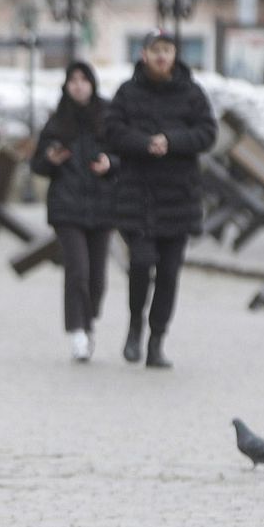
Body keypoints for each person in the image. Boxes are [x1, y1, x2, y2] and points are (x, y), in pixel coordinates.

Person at [104, 30, 216, 368]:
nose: (162, 56)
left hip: (179, 197)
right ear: (144, 55)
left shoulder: (192, 93)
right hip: (137, 196)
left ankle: (156, 341)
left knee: (168, 274)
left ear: (175, 54)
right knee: (140, 264)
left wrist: (173, 141)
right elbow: (111, 130)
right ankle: (135, 323)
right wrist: (143, 143)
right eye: (156, 50)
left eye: (167, 50)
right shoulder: (127, 92)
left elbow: (207, 133)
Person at [29, 61, 119, 362]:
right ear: (66, 85)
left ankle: (88, 319)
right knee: (77, 271)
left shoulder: (109, 117)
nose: (78, 85)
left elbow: (124, 156)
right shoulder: (57, 120)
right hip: (67, 207)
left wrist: (111, 163)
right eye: (73, 80)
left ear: (92, 84)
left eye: (84, 80)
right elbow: (37, 164)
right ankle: (78, 331)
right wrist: (51, 159)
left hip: (103, 205)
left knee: (97, 279)